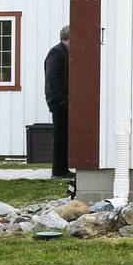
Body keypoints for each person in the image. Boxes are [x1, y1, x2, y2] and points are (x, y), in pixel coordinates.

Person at [44, 25, 71, 178]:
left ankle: (63, 169)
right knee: (60, 135)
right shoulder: (57, 52)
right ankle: (58, 171)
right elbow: (52, 79)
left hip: (63, 100)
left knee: (64, 135)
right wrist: (62, 100)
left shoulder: (64, 52)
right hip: (58, 101)